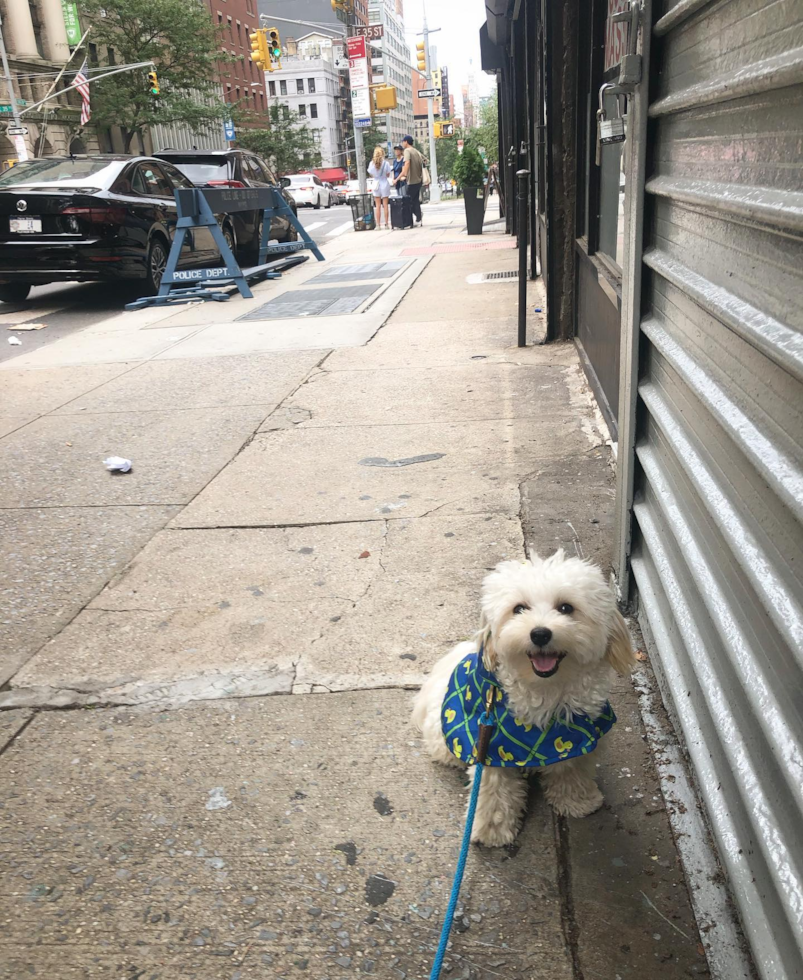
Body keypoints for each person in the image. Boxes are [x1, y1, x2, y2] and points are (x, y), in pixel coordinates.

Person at [398, 135, 425, 227]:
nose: (402, 143)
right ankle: (418, 218)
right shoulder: (416, 151)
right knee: (415, 200)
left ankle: (412, 219)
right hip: (419, 179)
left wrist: (404, 174)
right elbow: (424, 160)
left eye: (403, 141)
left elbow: (407, 163)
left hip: (412, 180)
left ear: (406, 142)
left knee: (408, 201)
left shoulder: (407, 151)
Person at [367, 145, 392, 230]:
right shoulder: (386, 163)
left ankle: (378, 225)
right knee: (385, 205)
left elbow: (371, 173)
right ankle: (386, 224)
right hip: (384, 183)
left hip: (376, 184)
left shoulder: (371, 163)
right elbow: (388, 174)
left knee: (377, 206)